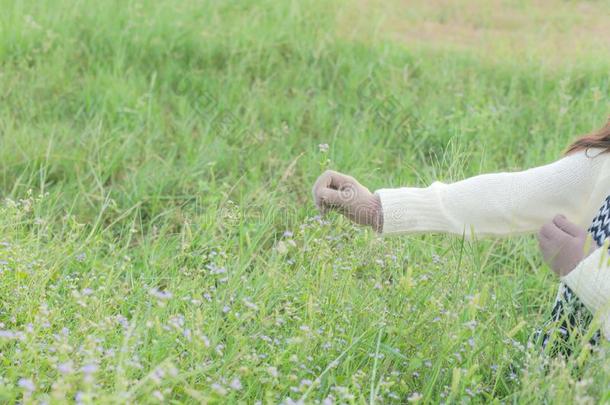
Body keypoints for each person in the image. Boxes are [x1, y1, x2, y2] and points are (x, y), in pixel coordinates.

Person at [312, 118, 610, 350]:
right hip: (555, 378)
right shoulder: (603, 163)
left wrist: (583, 270)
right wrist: (379, 208)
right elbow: (510, 195)